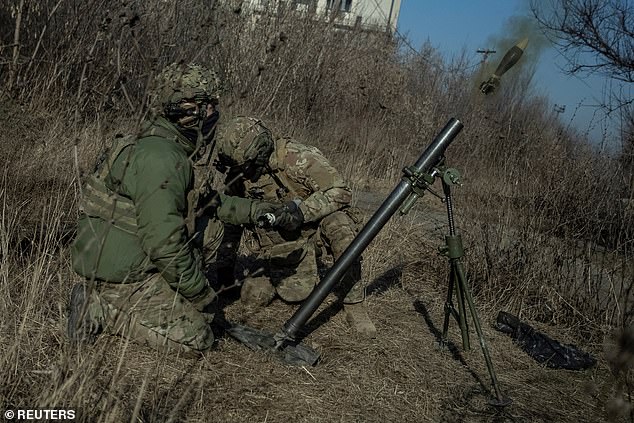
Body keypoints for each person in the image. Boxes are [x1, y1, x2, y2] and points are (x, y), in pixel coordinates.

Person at [67, 64, 294, 355]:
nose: (215, 113)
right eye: (210, 105)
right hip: (124, 276)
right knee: (198, 336)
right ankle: (98, 308)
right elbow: (164, 244)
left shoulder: (160, 146)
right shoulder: (162, 160)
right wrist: (201, 295)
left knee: (210, 228)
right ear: (188, 110)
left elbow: (210, 203)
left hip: (118, 260)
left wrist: (263, 211)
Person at [214, 116, 377, 337]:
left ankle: (354, 303)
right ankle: (284, 274)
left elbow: (340, 191)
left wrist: (301, 213)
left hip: (313, 234)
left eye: (244, 167)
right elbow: (232, 222)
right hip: (278, 247)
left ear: (259, 153)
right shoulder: (240, 174)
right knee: (251, 298)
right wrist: (224, 273)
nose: (241, 174)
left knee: (340, 226)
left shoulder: (295, 158)